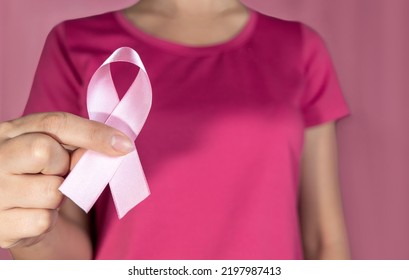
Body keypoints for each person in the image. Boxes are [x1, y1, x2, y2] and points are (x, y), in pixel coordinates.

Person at [0, 0, 350, 259]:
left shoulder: (300, 48)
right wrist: (29, 233)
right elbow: (66, 244)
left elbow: (324, 239)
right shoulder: (73, 44)